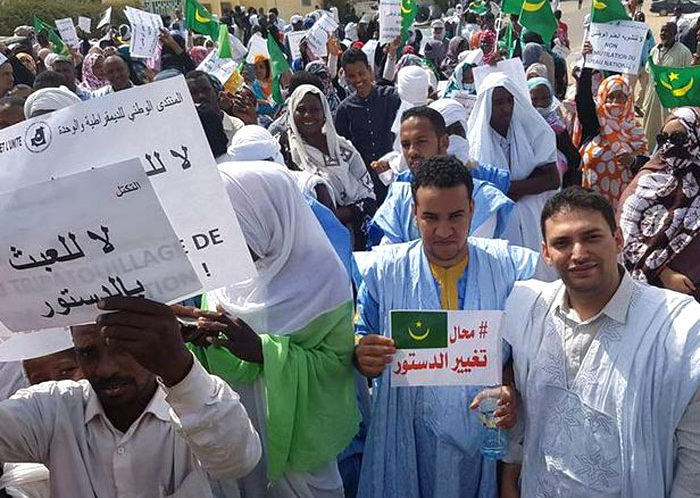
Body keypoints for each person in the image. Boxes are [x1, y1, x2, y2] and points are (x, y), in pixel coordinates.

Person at [354, 155, 537, 497]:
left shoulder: (510, 268)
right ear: (414, 213)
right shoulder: (384, 272)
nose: (443, 231)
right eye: (431, 217)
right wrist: (363, 357)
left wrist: (510, 386)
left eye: (455, 216)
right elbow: (362, 339)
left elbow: (526, 351)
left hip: (484, 434)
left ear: (472, 208)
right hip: (407, 435)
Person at [501, 186, 700, 497]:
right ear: (546, 253)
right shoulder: (531, 309)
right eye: (562, 243)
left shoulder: (678, 325)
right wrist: (510, 473)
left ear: (617, 239)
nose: (579, 254)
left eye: (591, 237)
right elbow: (525, 410)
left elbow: (695, 449)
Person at [188, 162, 359, 497]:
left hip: (301, 449)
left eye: (236, 224)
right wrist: (196, 339)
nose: (226, 241)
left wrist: (263, 352)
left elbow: (337, 366)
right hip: (236, 435)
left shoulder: (325, 280)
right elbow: (212, 362)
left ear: (268, 215)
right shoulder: (222, 280)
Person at [0, 297, 261, 497]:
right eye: (88, 353)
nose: (106, 369)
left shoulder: (198, 402)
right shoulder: (52, 409)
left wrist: (179, 368)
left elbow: (237, 461)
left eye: (122, 349)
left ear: (155, 343)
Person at [368, 106, 514, 246]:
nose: (412, 152)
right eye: (406, 145)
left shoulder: (484, 199)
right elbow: (388, 254)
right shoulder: (400, 197)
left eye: (421, 142)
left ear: (444, 142)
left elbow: (469, 255)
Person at [467, 72, 560, 256]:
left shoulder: (533, 131)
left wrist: (508, 188)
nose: (506, 108)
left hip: (532, 217)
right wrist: (523, 186)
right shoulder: (473, 143)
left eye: (510, 100)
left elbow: (552, 179)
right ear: (487, 105)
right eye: (499, 102)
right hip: (495, 223)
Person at [280, 85, 376, 249]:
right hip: (312, 241)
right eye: (301, 110)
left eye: (314, 110)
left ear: (324, 113)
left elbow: (369, 195)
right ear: (292, 112)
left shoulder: (343, 148)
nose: (308, 115)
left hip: (356, 234)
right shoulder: (286, 152)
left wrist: (339, 214)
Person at [618, 107, 700, 300]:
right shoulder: (648, 178)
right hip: (653, 290)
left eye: (678, 138)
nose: (669, 145)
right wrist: (663, 272)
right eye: (663, 139)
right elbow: (625, 235)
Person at [335, 48, 401, 202]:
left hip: (393, 173)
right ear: (346, 77)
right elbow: (342, 146)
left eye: (361, 73)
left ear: (369, 70)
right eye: (352, 76)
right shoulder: (344, 109)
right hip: (364, 181)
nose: (358, 80)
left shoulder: (390, 97)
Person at [642, 22, 692, 151]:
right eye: (662, 30)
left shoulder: (684, 52)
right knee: (650, 129)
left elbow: (688, 75)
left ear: (675, 34)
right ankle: (648, 153)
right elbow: (648, 71)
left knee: (668, 129)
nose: (664, 34)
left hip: (671, 101)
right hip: (653, 98)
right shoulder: (654, 50)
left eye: (667, 31)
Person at [527, 77, 581, 187]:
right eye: (534, 99)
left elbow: (573, 158)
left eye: (545, 98)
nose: (540, 103)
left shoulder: (557, 126)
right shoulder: (522, 126)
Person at [185, 70, 245, 146]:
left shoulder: (237, 127)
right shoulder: (188, 132)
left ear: (216, 92)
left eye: (205, 89)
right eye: (194, 92)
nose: (201, 96)